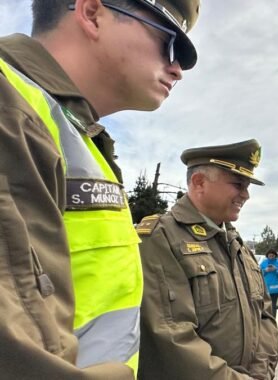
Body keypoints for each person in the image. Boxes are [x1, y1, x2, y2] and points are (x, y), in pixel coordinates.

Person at [0, 0, 200, 377]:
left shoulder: (75, 134)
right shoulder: (11, 108)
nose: (177, 69)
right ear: (92, 13)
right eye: (170, 44)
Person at [136, 140, 278, 379]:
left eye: (247, 186)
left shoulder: (235, 242)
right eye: (238, 184)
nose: (246, 195)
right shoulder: (161, 237)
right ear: (199, 182)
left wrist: (261, 372)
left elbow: (264, 314)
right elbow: (171, 336)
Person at [260, 249, 278, 317]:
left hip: (276, 288)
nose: (271, 257)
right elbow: (259, 273)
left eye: (273, 255)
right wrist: (265, 270)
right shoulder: (264, 262)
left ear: (275, 256)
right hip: (266, 287)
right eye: (270, 255)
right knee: (266, 304)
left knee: (273, 304)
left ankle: (273, 318)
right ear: (267, 256)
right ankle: (267, 318)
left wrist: (276, 269)